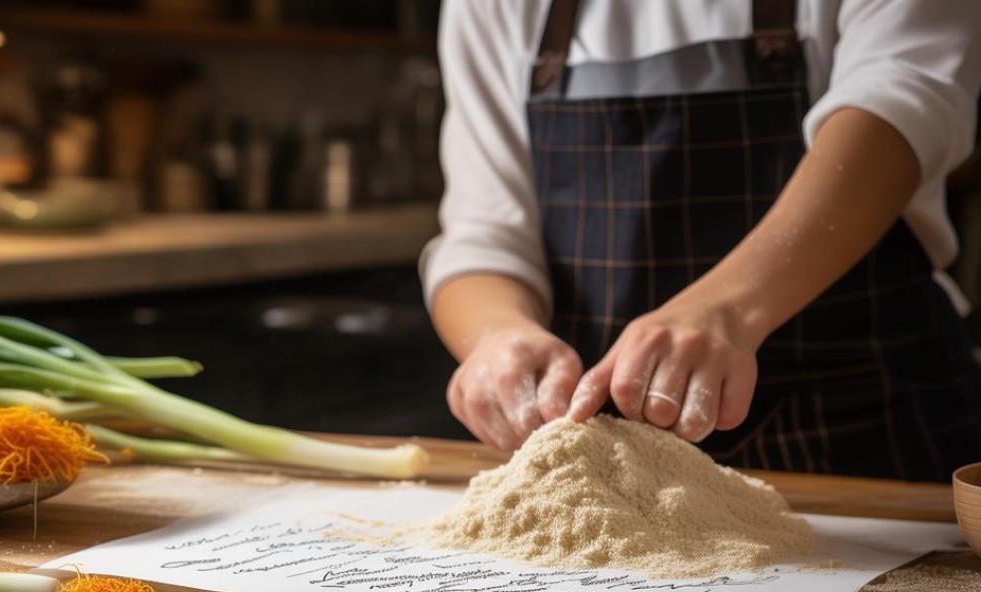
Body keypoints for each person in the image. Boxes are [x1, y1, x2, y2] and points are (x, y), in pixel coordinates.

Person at [420, 0, 981, 482]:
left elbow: (902, 110)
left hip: (863, 434)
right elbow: (484, 235)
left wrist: (726, 309)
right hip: (611, 479)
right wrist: (499, 335)